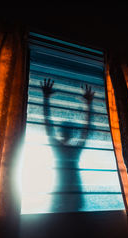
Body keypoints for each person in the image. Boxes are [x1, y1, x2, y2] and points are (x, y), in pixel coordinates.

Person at [40, 78, 94, 212]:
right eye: (65, 130)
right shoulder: (64, 148)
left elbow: (86, 130)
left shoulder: (68, 149)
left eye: (67, 130)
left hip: (69, 192)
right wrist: (89, 104)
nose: (66, 133)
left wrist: (89, 105)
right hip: (65, 191)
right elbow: (48, 124)